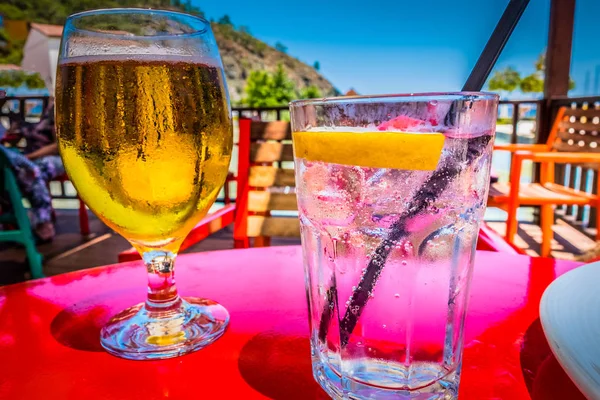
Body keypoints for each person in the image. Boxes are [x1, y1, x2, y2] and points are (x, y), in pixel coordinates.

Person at [0, 99, 64, 241]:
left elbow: (58, 146)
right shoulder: (31, 109)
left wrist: (29, 157)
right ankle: (19, 216)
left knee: (35, 171)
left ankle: (42, 222)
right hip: (30, 158)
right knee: (14, 172)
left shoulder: (59, 109)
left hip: (53, 157)